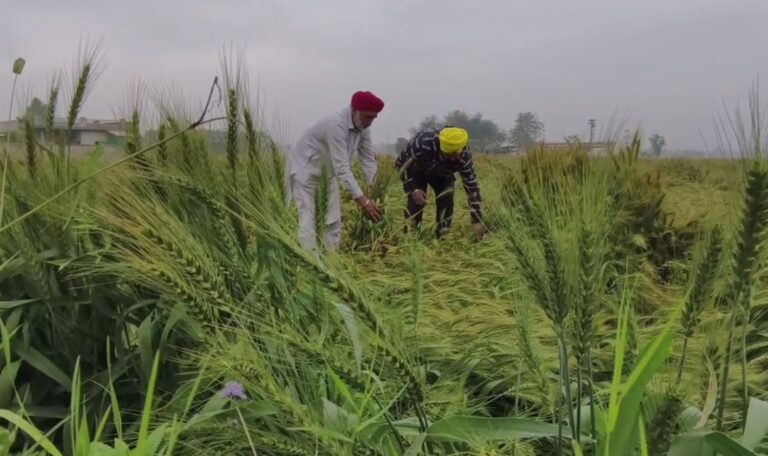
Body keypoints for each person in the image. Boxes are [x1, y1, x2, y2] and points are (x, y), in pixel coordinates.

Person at [285, 90, 385, 252]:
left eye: (373, 118)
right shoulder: (336, 125)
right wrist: (364, 202)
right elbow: (342, 168)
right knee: (308, 218)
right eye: (367, 117)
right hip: (306, 172)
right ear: (354, 110)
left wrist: (374, 188)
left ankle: (332, 260)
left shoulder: (364, 128)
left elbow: (367, 159)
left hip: (328, 174)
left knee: (332, 220)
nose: (370, 122)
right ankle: (312, 262)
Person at [395, 126, 485, 240]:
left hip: (444, 174)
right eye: (448, 155)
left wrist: (477, 220)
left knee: (447, 199)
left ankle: (442, 237)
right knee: (416, 203)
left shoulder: (464, 155)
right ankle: (410, 236)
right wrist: (413, 189)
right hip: (417, 172)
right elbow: (401, 165)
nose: (452, 159)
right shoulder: (422, 143)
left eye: (455, 156)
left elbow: (471, 185)